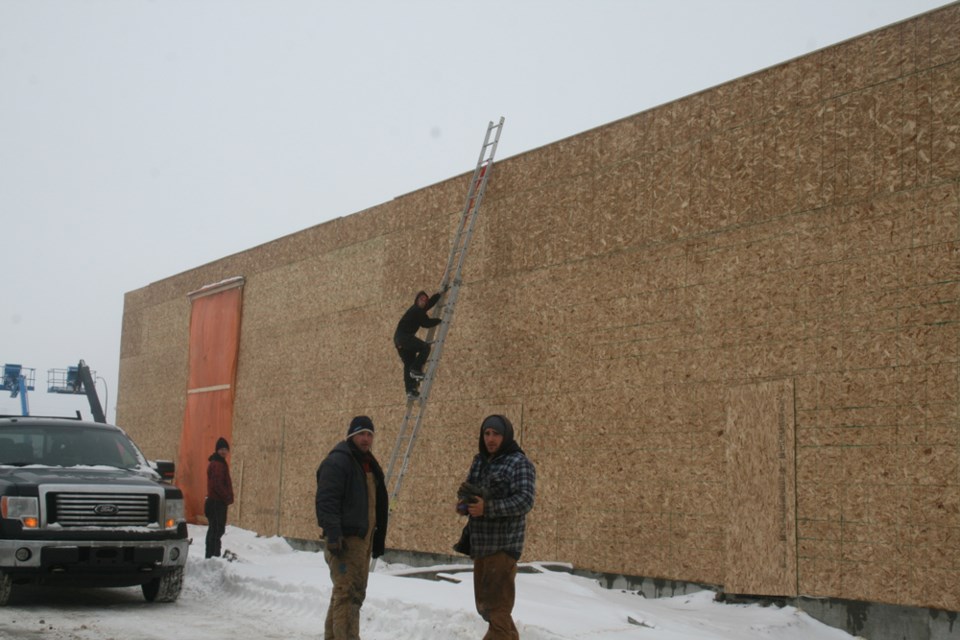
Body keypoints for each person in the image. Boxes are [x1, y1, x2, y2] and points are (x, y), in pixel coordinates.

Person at [455, 414, 536, 640]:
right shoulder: (480, 461)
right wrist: (464, 505)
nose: (490, 439)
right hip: (481, 545)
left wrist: (487, 508)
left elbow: (525, 500)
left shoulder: (519, 463)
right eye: (487, 433)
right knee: (488, 608)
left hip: (503, 546)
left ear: (506, 435)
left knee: (496, 609)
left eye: (496, 434)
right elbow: (469, 492)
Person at [315, 416, 389, 640]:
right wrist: (334, 534)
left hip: (363, 541)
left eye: (369, 434)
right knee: (349, 595)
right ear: (351, 435)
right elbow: (326, 501)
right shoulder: (338, 462)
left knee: (345, 594)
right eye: (361, 434)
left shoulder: (367, 464)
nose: (366, 439)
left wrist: (376, 541)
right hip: (345, 541)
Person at [393, 289, 443, 400]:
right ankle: (415, 370)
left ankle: (410, 390)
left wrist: (438, 295)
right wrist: (440, 321)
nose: (423, 301)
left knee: (408, 363)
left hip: (399, 341)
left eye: (425, 300)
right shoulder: (416, 310)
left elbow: (430, 304)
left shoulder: (418, 310)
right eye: (421, 299)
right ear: (416, 300)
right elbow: (426, 323)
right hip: (403, 337)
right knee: (425, 347)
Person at [204, 436, 234, 559]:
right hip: (216, 503)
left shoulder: (220, 463)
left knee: (214, 530)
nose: (223, 451)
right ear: (217, 450)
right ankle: (213, 557)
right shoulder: (217, 464)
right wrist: (227, 497)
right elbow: (217, 484)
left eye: (225, 449)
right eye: (221, 449)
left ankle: (211, 556)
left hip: (215, 502)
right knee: (216, 531)